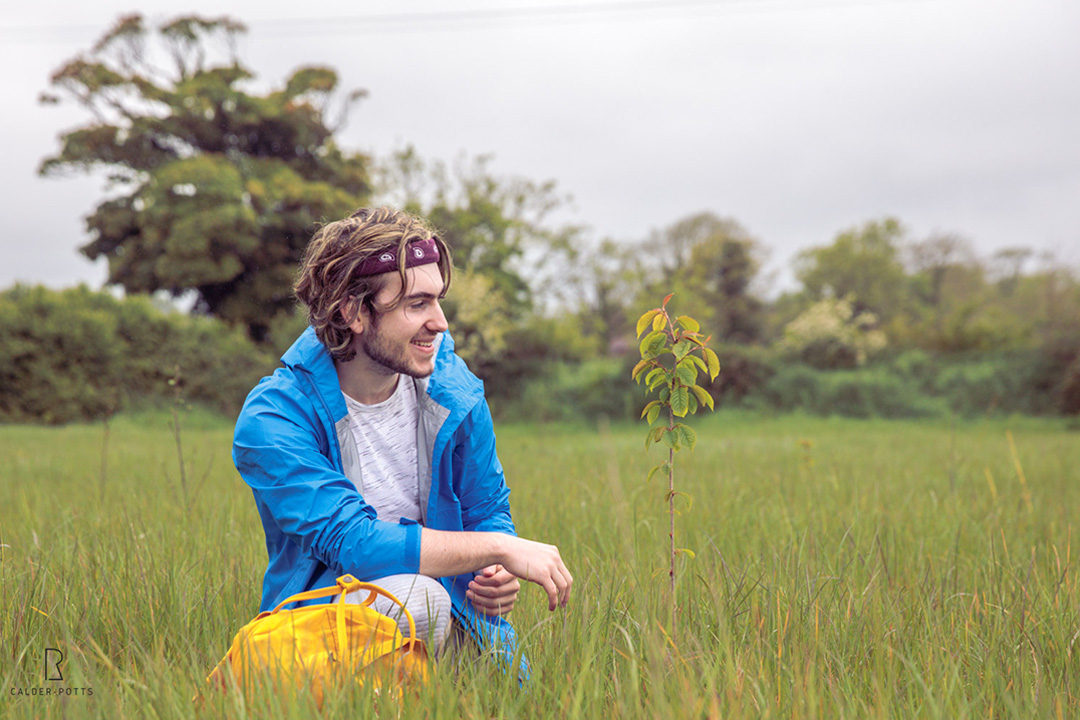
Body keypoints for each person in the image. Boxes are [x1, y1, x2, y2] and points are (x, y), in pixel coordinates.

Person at [232, 206, 572, 675]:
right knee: (422, 597)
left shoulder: (454, 390)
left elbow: (486, 509)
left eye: (438, 300)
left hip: (459, 621)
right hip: (320, 635)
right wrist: (496, 548)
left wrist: (495, 573)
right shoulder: (274, 418)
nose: (441, 322)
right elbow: (356, 546)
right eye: (417, 304)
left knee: (501, 684)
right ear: (352, 310)